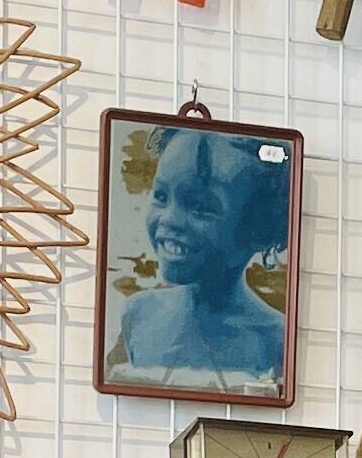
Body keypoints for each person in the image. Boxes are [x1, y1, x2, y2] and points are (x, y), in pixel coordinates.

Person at [113, 126, 291, 392]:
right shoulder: (138, 314)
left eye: (200, 207)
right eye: (161, 196)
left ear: (259, 231)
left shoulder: (276, 340)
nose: (170, 219)